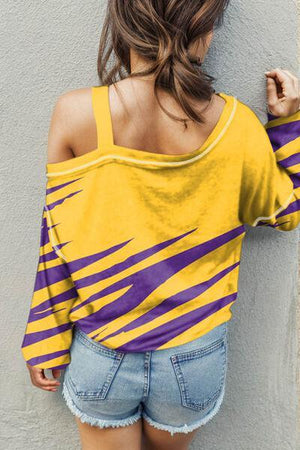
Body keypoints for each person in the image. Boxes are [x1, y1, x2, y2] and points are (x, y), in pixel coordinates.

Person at [20, 1, 300, 449]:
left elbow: (55, 238)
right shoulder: (238, 126)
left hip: (102, 352)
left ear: (124, 23)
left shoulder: (76, 113)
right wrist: (287, 126)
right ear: (205, 32)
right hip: (192, 361)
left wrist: (44, 337)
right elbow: (283, 212)